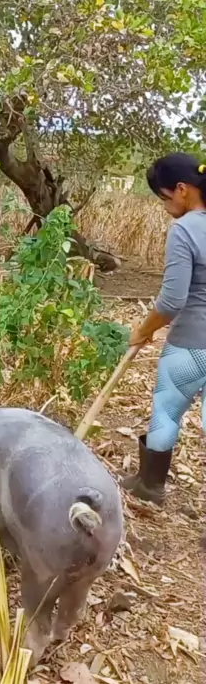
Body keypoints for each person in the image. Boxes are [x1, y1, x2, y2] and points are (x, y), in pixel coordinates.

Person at [123, 153, 206, 530]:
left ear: (182, 190)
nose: (164, 205)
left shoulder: (186, 230)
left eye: (164, 197)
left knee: (167, 410)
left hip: (192, 343)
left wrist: (145, 329)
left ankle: (150, 485)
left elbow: (172, 301)